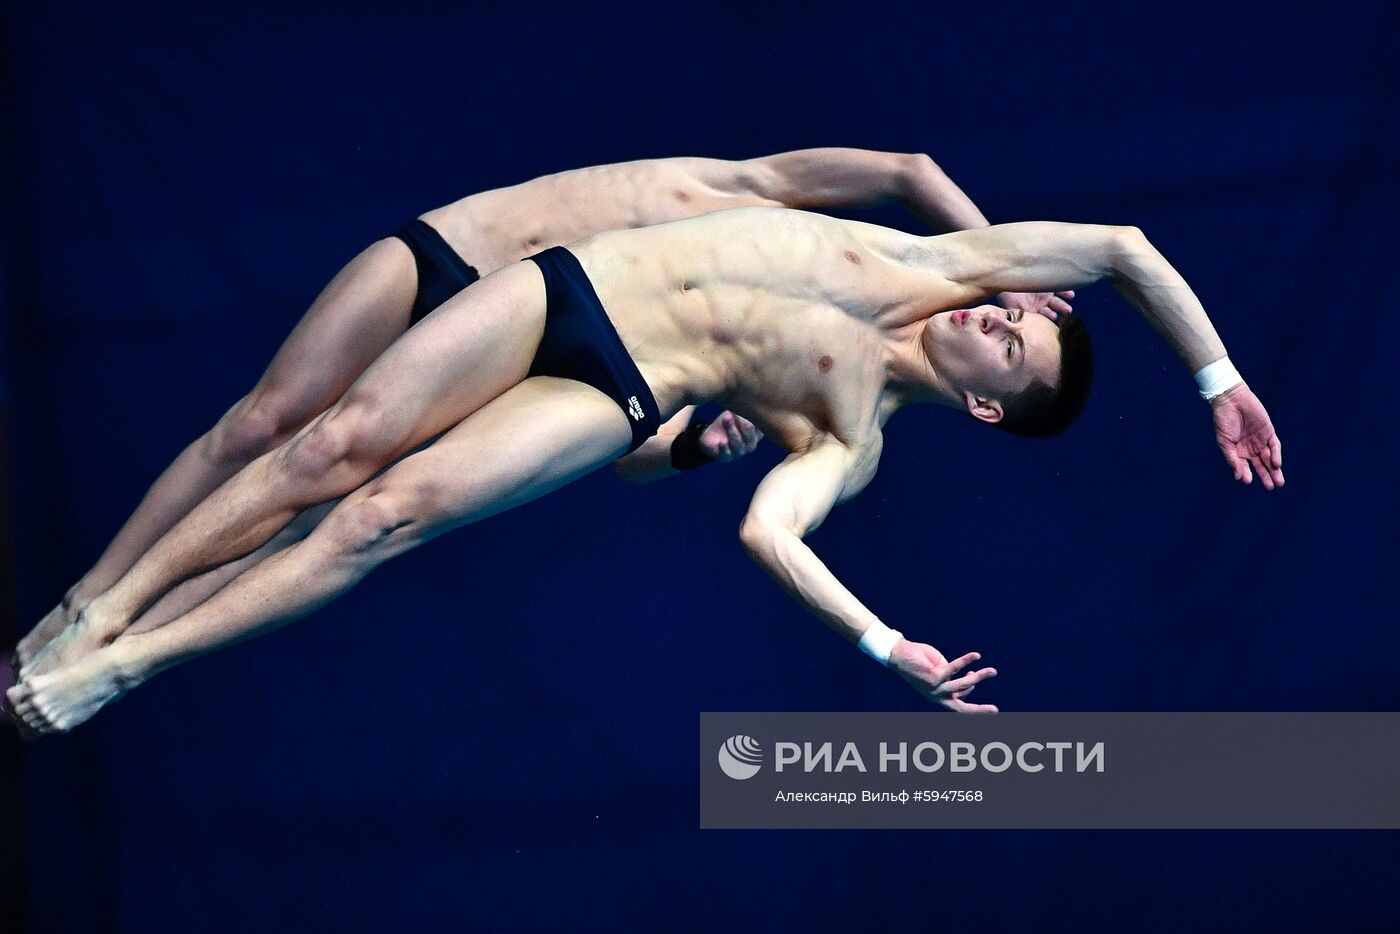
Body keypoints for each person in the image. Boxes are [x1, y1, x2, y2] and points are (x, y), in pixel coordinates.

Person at [7, 205, 1282, 735]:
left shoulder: (849, 442)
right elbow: (1119, 246)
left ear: (993, 412)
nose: (999, 322)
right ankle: (109, 602)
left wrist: (881, 643)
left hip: (612, 390)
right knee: (329, 444)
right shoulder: (944, 258)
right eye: (1018, 312)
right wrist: (1216, 381)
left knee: (380, 514)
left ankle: (124, 660)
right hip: (570, 291)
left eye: (1010, 347)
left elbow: (770, 539)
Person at [11, 147, 1072, 676]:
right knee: (267, 427)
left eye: (1002, 337)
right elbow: (908, 171)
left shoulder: (764, 328)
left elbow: (630, 450)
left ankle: (111, 641)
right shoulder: (750, 194)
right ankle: (93, 597)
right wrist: (1011, 274)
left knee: (325, 502)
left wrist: (697, 447)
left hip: (527, 342)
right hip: (457, 259)